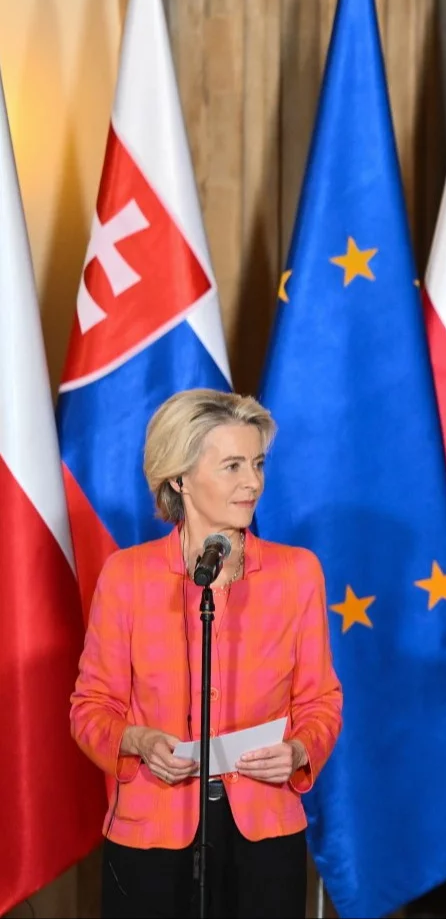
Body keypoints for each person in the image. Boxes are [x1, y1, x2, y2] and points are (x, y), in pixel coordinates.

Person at [71, 389, 343, 918]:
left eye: (259, 463)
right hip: (151, 836)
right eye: (233, 466)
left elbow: (322, 700)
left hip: (264, 834)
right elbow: (89, 708)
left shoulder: (297, 573)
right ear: (179, 476)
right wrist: (136, 739)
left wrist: (300, 750)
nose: (253, 482)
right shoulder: (126, 576)